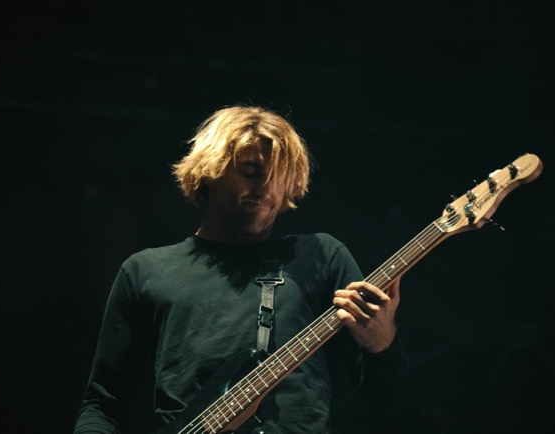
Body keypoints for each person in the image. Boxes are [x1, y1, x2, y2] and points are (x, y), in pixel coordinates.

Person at [73, 105, 410, 433]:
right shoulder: (145, 271)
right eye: (250, 171)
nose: (266, 189)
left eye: (278, 177)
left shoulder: (322, 256)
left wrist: (382, 341)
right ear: (211, 170)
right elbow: (103, 404)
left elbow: (389, 396)